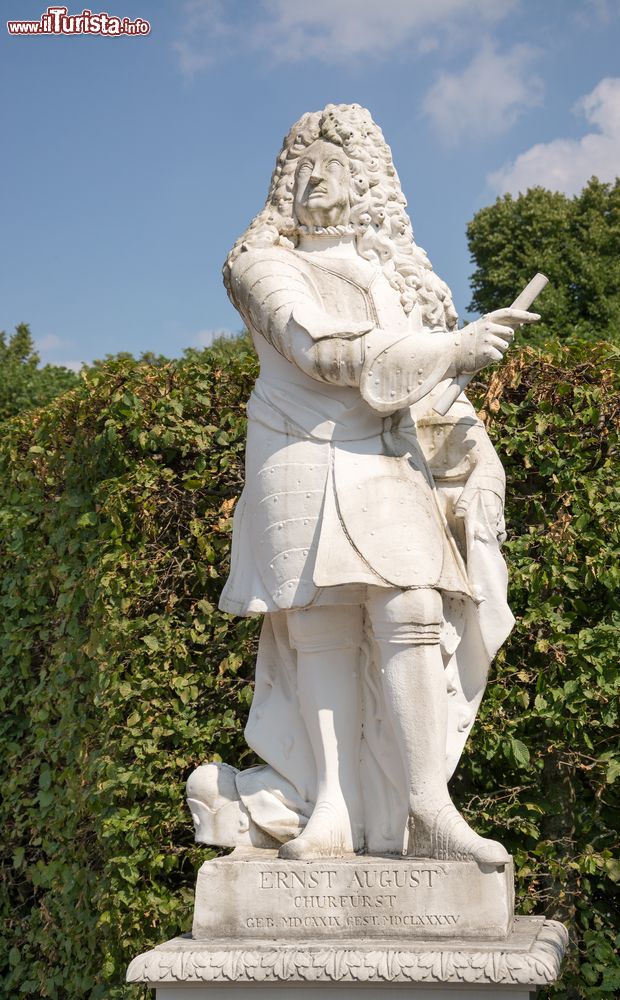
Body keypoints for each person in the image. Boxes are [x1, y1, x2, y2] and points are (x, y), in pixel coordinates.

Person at [186, 104, 539, 863]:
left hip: (384, 459)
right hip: (299, 452)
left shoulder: (398, 279)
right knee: (319, 621)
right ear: (282, 183)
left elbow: (435, 406)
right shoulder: (261, 264)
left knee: (412, 601)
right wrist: (453, 347)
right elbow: (319, 349)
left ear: (367, 183)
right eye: (299, 166)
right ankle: (331, 811)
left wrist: (478, 463)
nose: (314, 178)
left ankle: (426, 807)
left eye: (332, 166)